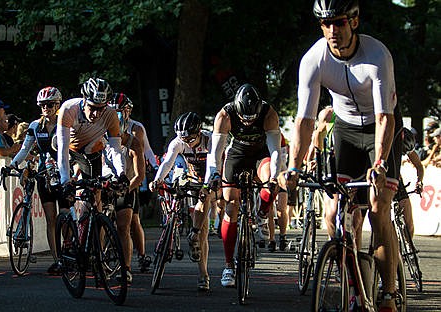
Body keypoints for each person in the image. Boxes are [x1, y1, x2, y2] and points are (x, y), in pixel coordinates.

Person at [277, 1, 403, 310]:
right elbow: (305, 121)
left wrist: (380, 164)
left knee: (377, 206)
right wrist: (293, 167)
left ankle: (387, 294)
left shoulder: (376, 56)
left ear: (354, 22)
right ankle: (356, 281)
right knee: (334, 216)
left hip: (380, 129)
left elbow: (385, 118)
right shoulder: (314, 59)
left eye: (340, 22)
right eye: (326, 23)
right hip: (346, 131)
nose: (333, 30)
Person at [204, 83, 281, 287]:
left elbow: (275, 151)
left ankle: (263, 215)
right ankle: (229, 266)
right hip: (236, 154)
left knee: (271, 182)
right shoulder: (225, 115)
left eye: (251, 118)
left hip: (260, 153)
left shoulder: (268, 113)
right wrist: (213, 174)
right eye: (244, 118)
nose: (248, 123)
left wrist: (274, 176)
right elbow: (216, 151)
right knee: (231, 205)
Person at [149, 112, 213, 291]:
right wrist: (158, 179)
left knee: (203, 222)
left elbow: (214, 165)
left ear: (199, 132)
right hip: (191, 177)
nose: (187, 142)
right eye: (183, 139)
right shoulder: (178, 142)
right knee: (175, 187)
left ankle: (203, 274)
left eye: (191, 139)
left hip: (209, 178)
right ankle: (173, 221)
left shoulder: (210, 140)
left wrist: (206, 186)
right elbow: (167, 162)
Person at [9, 86, 65, 274]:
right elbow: (25, 149)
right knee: (51, 219)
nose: (45, 108)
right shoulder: (35, 126)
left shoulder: (65, 123)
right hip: (44, 175)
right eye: (42, 105)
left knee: (64, 217)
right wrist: (12, 165)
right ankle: (58, 260)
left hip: (63, 175)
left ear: (57, 105)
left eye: (49, 105)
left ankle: (69, 252)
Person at [56, 78, 128, 219]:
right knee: (65, 200)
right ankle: (69, 238)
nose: (96, 114)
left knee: (95, 200)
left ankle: (94, 235)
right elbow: (62, 149)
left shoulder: (110, 115)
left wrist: (121, 174)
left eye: (101, 108)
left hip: (91, 152)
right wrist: (65, 181)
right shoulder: (69, 109)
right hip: (69, 150)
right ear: (84, 100)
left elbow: (116, 149)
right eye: (93, 108)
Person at [103, 93, 146, 284]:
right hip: (104, 183)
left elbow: (140, 174)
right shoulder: (98, 134)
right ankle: (96, 256)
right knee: (96, 219)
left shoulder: (134, 137)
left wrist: (127, 188)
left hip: (126, 183)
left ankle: (127, 267)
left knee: (125, 225)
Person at [116, 93, 156, 272]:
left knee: (133, 220)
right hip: (113, 177)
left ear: (128, 111)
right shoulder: (104, 125)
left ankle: (141, 255)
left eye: (121, 110)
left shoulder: (136, 128)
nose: (118, 114)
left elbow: (146, 150)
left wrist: (155, 168)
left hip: (131, 177)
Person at [397, 127, 424, 238]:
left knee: (409, 222)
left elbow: (419, 166)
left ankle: (409, 247)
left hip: (397, 180)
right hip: (382, 179)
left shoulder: (407, 144)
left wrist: (419, 181)